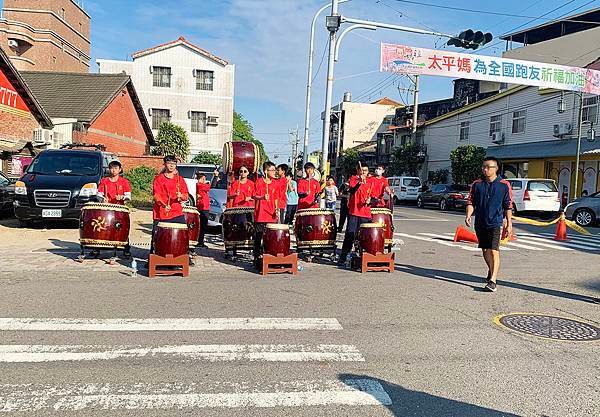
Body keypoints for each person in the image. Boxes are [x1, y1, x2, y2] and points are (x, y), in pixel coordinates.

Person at [465, 156, 513, 293]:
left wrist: (509, 224)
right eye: (483, 167)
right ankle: (491, 269)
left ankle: (493, 280)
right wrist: (468, 215)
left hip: (495, 222)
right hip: (480, 222)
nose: (485, 169)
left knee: (493, 250)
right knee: (485, 250)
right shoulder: (477, 184)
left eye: (488, 167)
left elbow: (508, 205)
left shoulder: (504, 185)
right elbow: (471, 202)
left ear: (496, 168)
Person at [151, 155, 189, 254]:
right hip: (161, 211)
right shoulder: (158, 179)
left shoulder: (180, 179)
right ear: (165, 164)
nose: (171, 166)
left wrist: (181, 196)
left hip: (176, 211)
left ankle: (184, 254)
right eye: (169, 163)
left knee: (182, 234)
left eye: (174, 164)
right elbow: (156, 195)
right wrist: (163, 204)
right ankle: (153, 256)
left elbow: (186, 195)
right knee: (156, 235)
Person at [338, 162, 374, 265]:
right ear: (358, 171)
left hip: (366, 214)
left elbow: (375, 198)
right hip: (354, 212)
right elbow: (352, 191)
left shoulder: (371, 182)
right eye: (361, 170)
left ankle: (365, 258)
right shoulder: (353, 179)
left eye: (365, 171)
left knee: (365, 237)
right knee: (350, 235)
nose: (363, 172)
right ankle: (343, 257)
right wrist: (359, 183)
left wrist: (370, 201)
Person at [96, 160, 132, 258]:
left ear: (120, 170)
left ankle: (126, 248)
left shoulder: (124, 182)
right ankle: (97, 248)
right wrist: (103, 199)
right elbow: (98, 194)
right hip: (106, 208)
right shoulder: (104, 181)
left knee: (122, 228)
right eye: (112, 168)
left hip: (119, 208)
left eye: (116, 168)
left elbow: (128, 196)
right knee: (103, 226)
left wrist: (122, 197)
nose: (113, 170)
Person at [252, 161, 280, 269]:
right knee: (258, 236)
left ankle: (268, 257)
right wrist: (262, 197)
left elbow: (276, 198)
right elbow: (254, 196)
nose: (274, 172)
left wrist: (277, 209)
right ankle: (256, 257)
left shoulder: (275, 183)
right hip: (260, 213)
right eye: (272, 170)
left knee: (269, 238)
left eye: (274, 170)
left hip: (271, 214)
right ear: (265, 171)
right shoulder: (258, 182)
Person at [195, 170, 218, 249]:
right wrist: (215, 176)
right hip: (203, 208)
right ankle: (200, 242)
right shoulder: (200, 185)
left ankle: (200, 241)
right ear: (202, 178)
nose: (205, 180)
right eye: (204, 178)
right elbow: (212, 186)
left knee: (202, 226)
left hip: (203, 207)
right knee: (203, 226)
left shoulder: (199, 185)